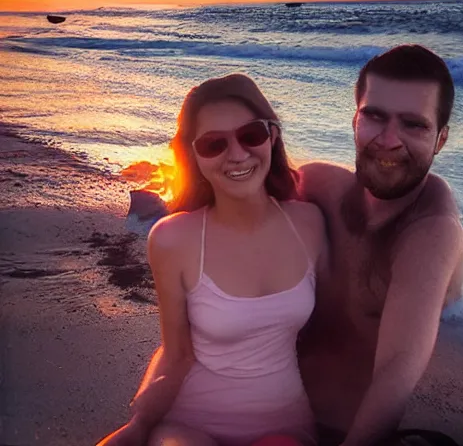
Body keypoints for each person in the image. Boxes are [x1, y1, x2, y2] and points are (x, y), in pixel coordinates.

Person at [97, 74, 327, 446]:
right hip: (190, 426)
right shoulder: (173, 239)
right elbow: (175, 353)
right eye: (213, 144)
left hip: (286, 426)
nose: (237, 154)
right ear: (193, 155)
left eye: (251, 135)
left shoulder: (310, 224)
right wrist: (138, 425)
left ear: (273, 135)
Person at [297, 44, 463, 446]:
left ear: (441, 139)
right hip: (264, 410)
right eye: (375, 116)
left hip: (345, 433)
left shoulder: (432, 231)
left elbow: (397, 369)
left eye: (414, 125)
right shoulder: (316, 185)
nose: (388, 140)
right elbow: (236, 200)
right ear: (355, 119)